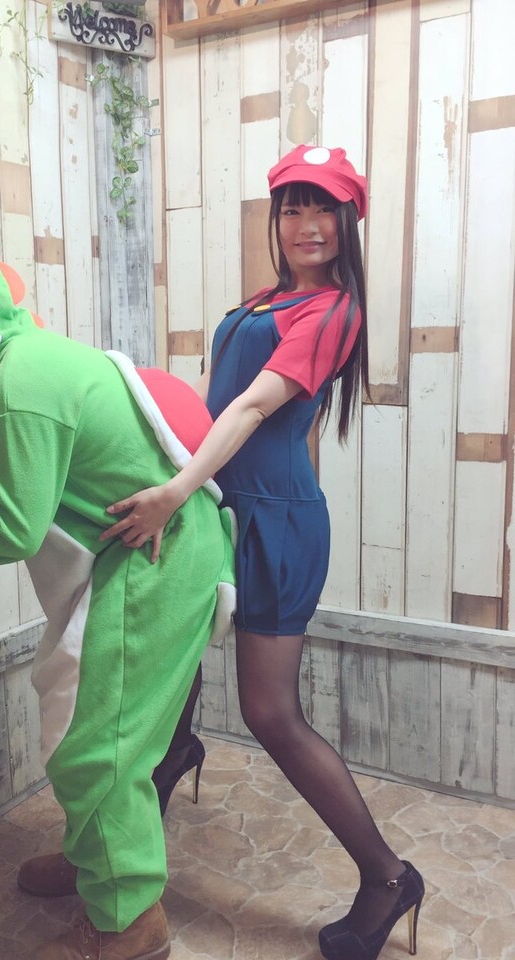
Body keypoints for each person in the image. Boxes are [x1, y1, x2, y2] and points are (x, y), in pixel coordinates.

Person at [0, 205, 236, 960]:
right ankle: (99, 863)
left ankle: (128, 920)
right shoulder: (33, 359)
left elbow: (10, 527)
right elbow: (30, 489)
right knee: (93, 731)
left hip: (157, 561)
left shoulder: (16, 384)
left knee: (99, 746)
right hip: (163, 551)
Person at [100, 145, 425, 960]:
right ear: (276, 219)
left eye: (323, 209)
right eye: (291, 208)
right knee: (170, 662)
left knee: (270, 712)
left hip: (275, 523)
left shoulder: (335, 311)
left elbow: (248, 408)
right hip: (221, 507)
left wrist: (174, 490)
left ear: (346, 222)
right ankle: (139, 819)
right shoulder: (266, 302)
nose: (306, 224)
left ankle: (389, 878)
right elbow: (227, 407)